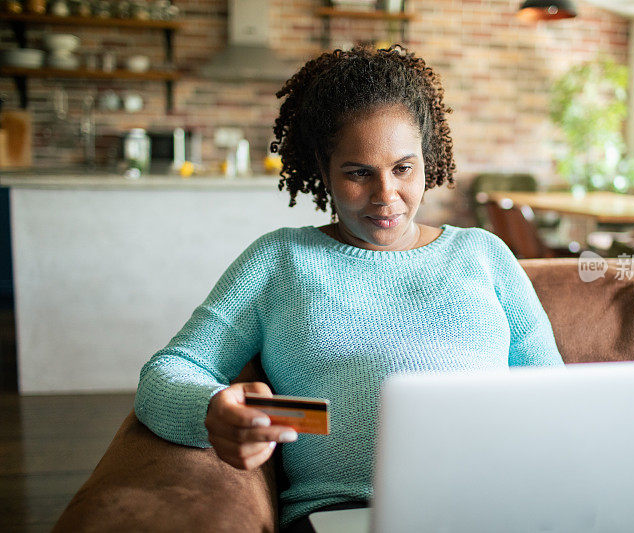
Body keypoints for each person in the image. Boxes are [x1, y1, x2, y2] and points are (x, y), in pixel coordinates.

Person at [134, 44, 564, 532]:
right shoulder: (280, 261)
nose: (386, 196)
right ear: (324, 168)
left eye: (404, 168)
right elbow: (167, 372)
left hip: (497, 509)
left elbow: (554, 396)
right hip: (346, 516)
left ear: (427, 159)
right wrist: (212, 411)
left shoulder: (484, 255)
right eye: (359, 173)